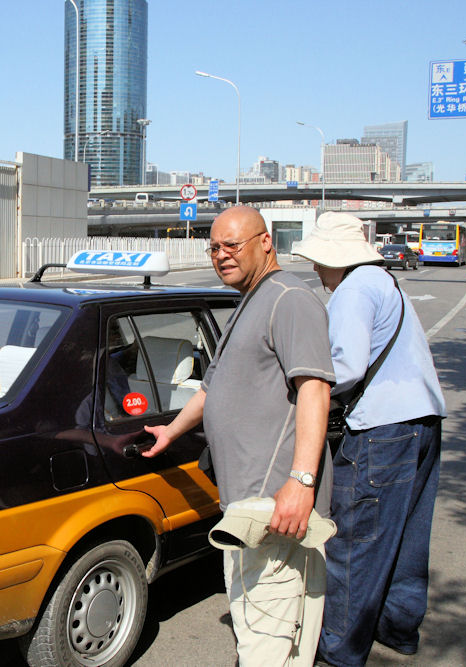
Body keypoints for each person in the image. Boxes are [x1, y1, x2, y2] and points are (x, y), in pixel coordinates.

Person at [142, 206, 335, 666]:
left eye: (233, 245)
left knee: (267, 643)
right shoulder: (252, 298)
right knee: (259, 633)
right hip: (245, 512)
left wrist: (301, 483)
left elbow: (315, 389)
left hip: (276, 510)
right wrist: (171, 430)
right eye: (214, 248)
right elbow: (213, 388)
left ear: (265, 242)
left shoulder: (289, 298)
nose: (221, 255)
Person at [293, 212, 447, 667]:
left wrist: (302, 387)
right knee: (406, 537)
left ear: (335, 258)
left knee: (355, 545)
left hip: (382, 431)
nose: (317, 271)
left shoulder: (355, 289)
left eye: (319, 262)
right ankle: (398, 627)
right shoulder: (384, 281)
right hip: (422, 422)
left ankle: (340, 651)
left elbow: (344, 366)